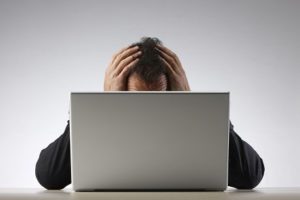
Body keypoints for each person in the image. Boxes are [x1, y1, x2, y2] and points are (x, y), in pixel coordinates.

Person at [35, 37, 265, 190]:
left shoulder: (191, 124)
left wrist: (191, 102)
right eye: (136, 97)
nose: (148, 109)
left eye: (159, 97)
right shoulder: (104, 126)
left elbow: (250, 175)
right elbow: (49, 176)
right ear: (121, 90)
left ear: (172, 90)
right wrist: (103, 104)